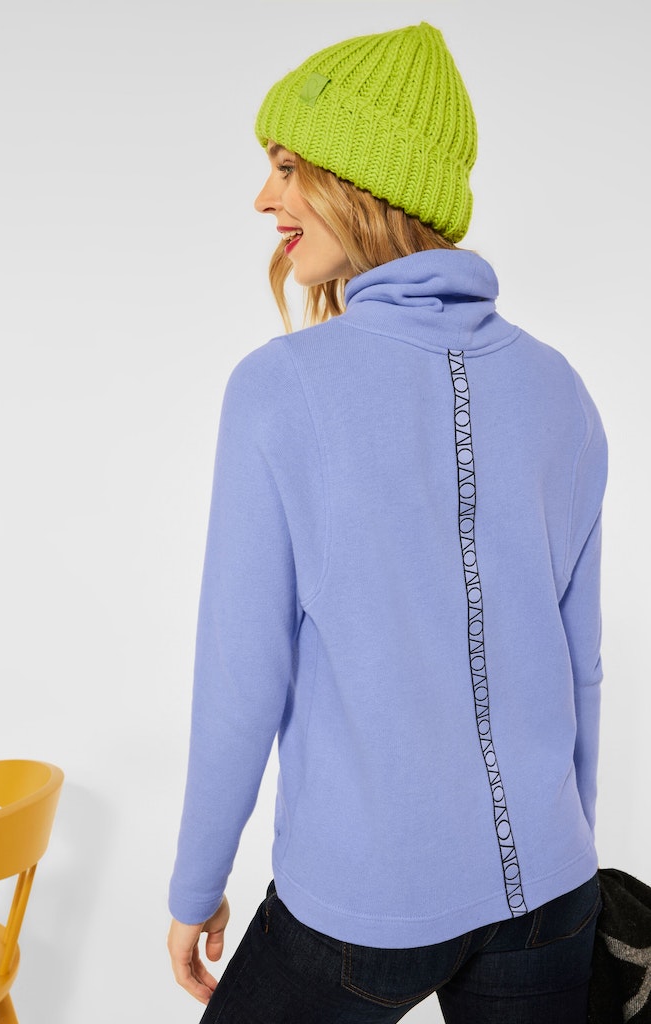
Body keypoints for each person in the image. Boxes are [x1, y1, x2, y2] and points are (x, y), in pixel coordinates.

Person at [167, 22, 607, 1024]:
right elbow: (579, 664)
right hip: (552, 888)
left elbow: (242, 677)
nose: (264, 198)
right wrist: (566, 848)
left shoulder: (281, 386)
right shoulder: (561, 389)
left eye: (288, 167)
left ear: (364, 182)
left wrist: (196, 885)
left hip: (363, 897)